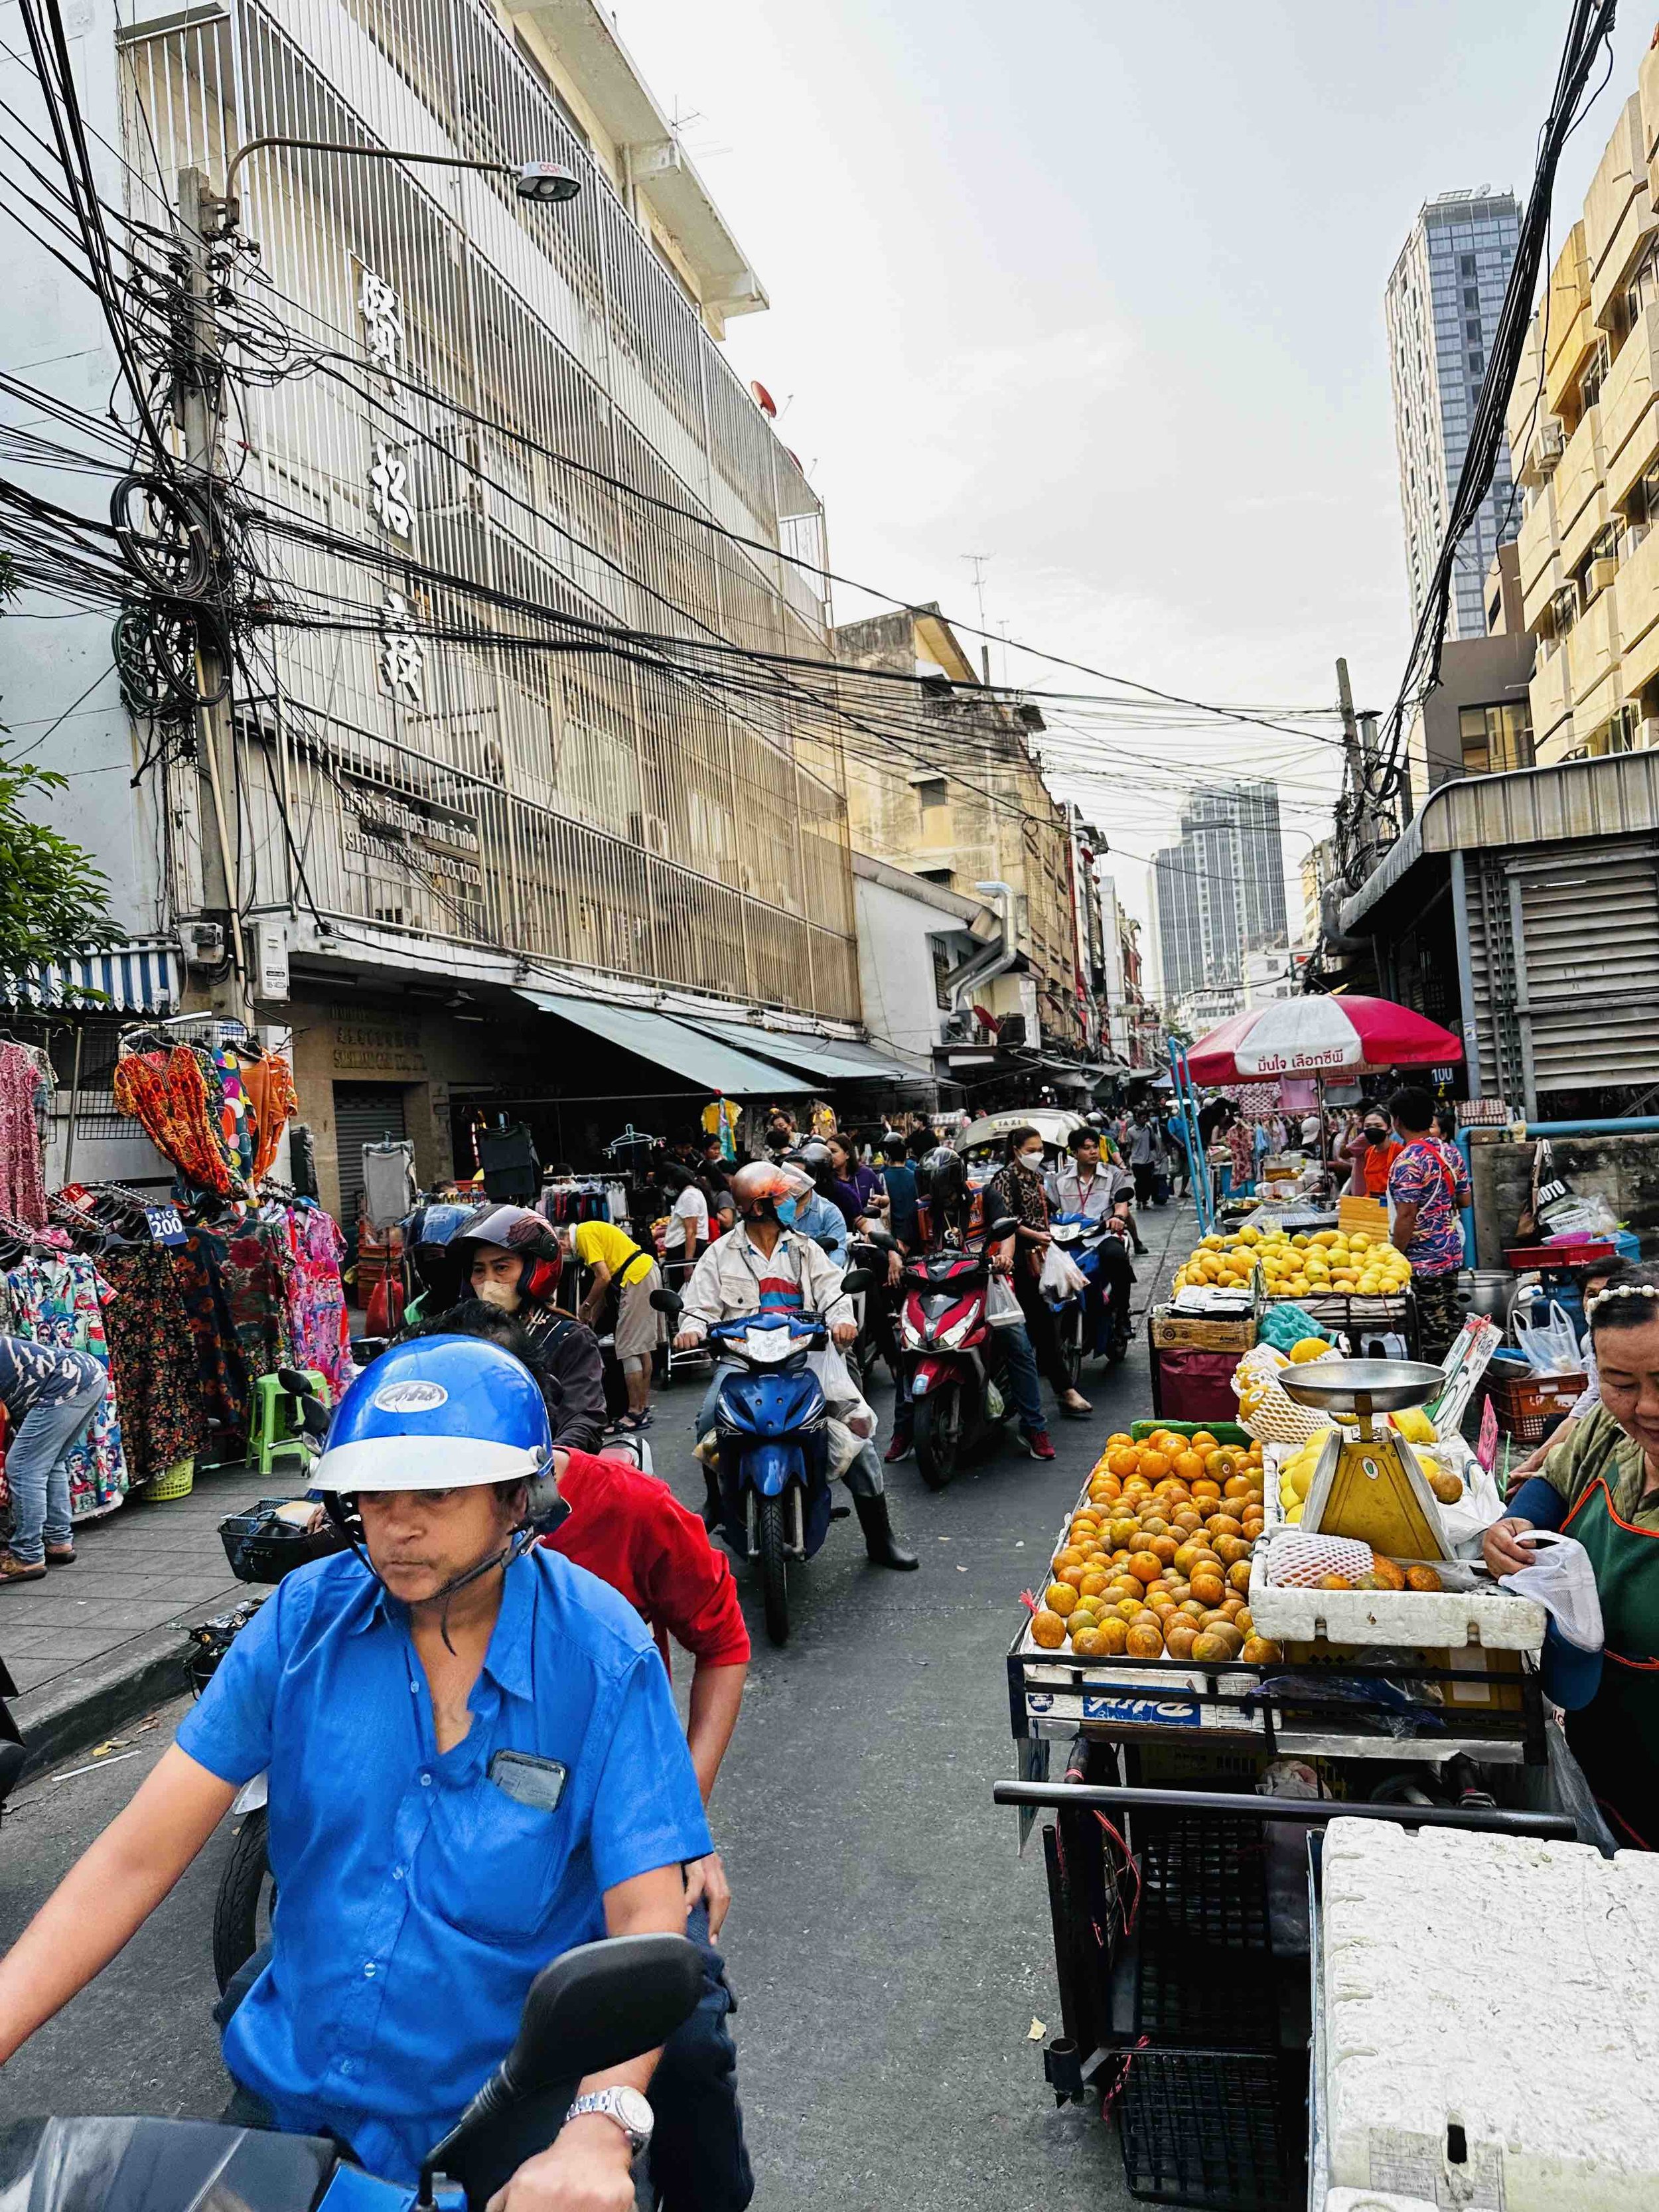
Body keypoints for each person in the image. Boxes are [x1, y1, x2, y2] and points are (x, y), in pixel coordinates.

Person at [0, 1335, 719, 2211]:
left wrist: (598, 2133)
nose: (399, 1523)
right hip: (297, 2094)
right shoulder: (303, 1620)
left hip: (510, 2119)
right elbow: (134, 1857)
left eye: (438, 1492)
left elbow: (646, 1917)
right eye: (376, 1493)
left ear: (515, 1499)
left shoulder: (603, 1653)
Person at [414, 1302, 753, 2201]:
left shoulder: (627, 1526)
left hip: (615, 1834)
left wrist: (681, 1823)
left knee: (684, 2032)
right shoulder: (379, 1560)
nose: (413, 1518)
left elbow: (723, 1642)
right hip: (478, 1851)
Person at [1482, 1264, 1659, 1849]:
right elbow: (1555, 1483)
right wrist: (1516, 1525)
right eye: (1622, 1382)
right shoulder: (1611, 1433)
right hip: (1600, 1736)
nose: (1648, 1407)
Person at [674, 1161, 916, 1569]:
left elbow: (833, 1292)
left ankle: (880, 1539)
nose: (791, 1202)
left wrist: (842, 1321)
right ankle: (718, 1502)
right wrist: (691, 1328)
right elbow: (698, 1305)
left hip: (809, 1361)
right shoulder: (720, 1254)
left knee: (858, 1441)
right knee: (707, 1422)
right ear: (758, 1207)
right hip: (741, 1363)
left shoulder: (805, 1248)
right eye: (782, 1197)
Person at [889, 1144, 1054, 1465]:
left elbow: (1006, 1229)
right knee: (908, 1348)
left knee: (1017, 1343)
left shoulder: (984, 1196)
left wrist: (1005, 1255)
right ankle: (903, 1430)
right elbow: (901, 1243)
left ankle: (1035, 1427)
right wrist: (894, 1259)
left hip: (986, 1282)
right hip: (933, 1287)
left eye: (943, 1189)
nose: (938, 1196)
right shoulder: (921, 1209)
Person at [448, 1205, 607, 1452]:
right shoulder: (459, 1335)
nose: (489, 1280)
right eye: (479, 1270)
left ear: (533, 1271)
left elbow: (583, 1420)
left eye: (501, 1268)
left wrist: (551, 1462)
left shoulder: (567, 1337)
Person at [989, 1128, 1092, 1420]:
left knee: (1048, 1320)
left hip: (1040, 1253)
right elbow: (1005, 1221)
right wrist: (1033, 1234)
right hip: (1015, 1261)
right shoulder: (1004, 1179)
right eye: (1031, 1150)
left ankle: (1057, 1384)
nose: (1037, 1155)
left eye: (1039, 1149)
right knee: (1038, 1326)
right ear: (1016, 1150)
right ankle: (1063, 1391)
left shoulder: (1037, 1177)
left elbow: (1046, 1210)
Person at [0, 1337, 108, 1584]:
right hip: (87, 1375)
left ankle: (27, 1558)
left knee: (23, 1467)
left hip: (65, 1384)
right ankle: (59, 1542)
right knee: (51, 1462)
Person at [1386, 1085, 1472, 1359]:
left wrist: (1393, 1255)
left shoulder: (1407, 1162)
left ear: (1396, 1121)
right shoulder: (1451, 1153)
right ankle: (1462, 1387)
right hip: (1451, 1252)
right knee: (1451, 1325)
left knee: (1433, 1337)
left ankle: (1441, 1396)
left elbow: (1406, 1217)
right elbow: (1466, 1200)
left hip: (1423, 1262)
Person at [564, 1215, 665, 1434]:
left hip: (636, 1277)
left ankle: (634, 1413)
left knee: (628, 1348)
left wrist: (585, 1306)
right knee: (642, 1347)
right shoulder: (588, 1233)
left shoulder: (582, 1236)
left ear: (563, 1241)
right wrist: (589, 1318)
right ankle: (642, 1408)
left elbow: (603, 1278)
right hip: (645, 1271)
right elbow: (602, 1287)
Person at [1047, 1128, 1135, 1347]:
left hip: (1101, 1235)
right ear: (1075, 1153)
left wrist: (1118, 1218)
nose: (1093, 1152)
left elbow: (1121, 1204)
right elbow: (1047, 1208)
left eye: (1095, 1147)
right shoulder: (1059, 1180)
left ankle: (1122, 1313)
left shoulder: (1113, 1174)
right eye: (1086, 1148)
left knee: (1117, 1257)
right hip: (1068, 1239)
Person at [777, 1147, 851, 1264]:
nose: (790, 1184)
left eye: (795, 1178)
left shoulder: (829, 1212)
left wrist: (826, 1276)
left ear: (810, 1180)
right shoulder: (773, 1209)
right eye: (787, 1177)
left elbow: (838, 1251)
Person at [663, 1163, 712, 1280]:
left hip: (683, 1250)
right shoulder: (692, 1194)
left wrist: (688, 1264)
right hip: (684, 1250)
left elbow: (691, 1232)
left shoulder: (689, 1196)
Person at [1345, 1103, 1403, 1199]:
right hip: (1371, 1205)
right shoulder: (1369, 1152)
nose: (1373, 1129)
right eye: (1368, 1126)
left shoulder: (1399, 1152)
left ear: (1389, 1129)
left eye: (1378, 1126)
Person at [1127, 1108, 1161, 1207]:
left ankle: (1145, 1201)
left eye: (1146, 1118)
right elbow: (1129, 1146)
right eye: (1142, 1118)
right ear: (1137, 1119)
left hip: (1149, 1160)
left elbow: (1153, 1143)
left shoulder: (1148, 1129)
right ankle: (1138, 1200)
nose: (1144, 1120)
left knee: (1148, 1182)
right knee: (1139, 1182)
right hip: (1137, 1161)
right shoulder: (1131, 1131)